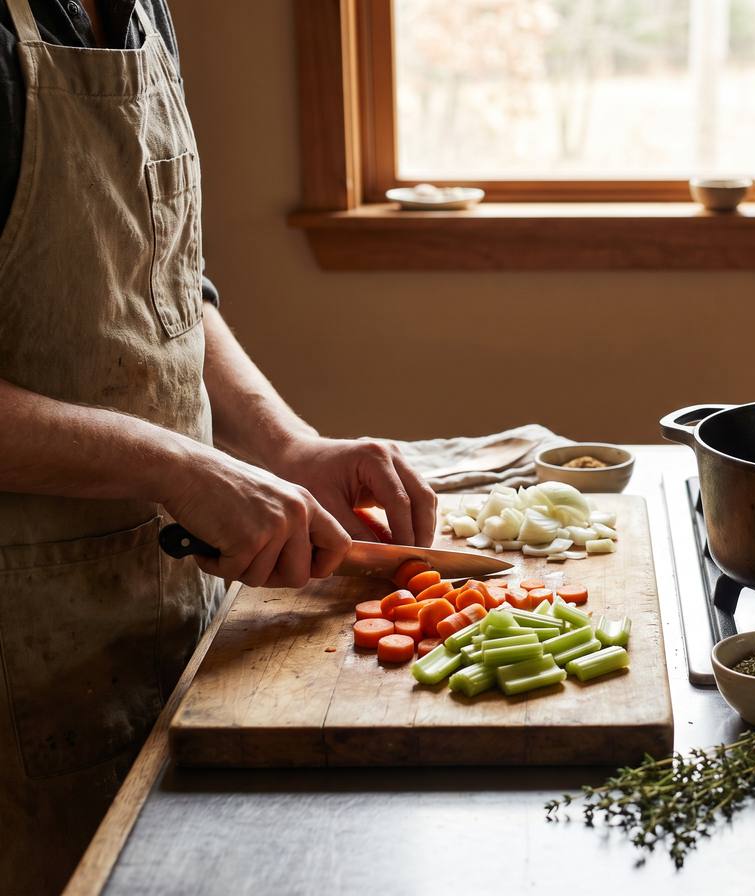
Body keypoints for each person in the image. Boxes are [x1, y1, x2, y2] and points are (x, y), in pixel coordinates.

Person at [0, 1, 437, 891]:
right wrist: (177, 464)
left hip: (167, 624)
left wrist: (286, 443)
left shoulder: (144, 11)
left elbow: (165, 286)